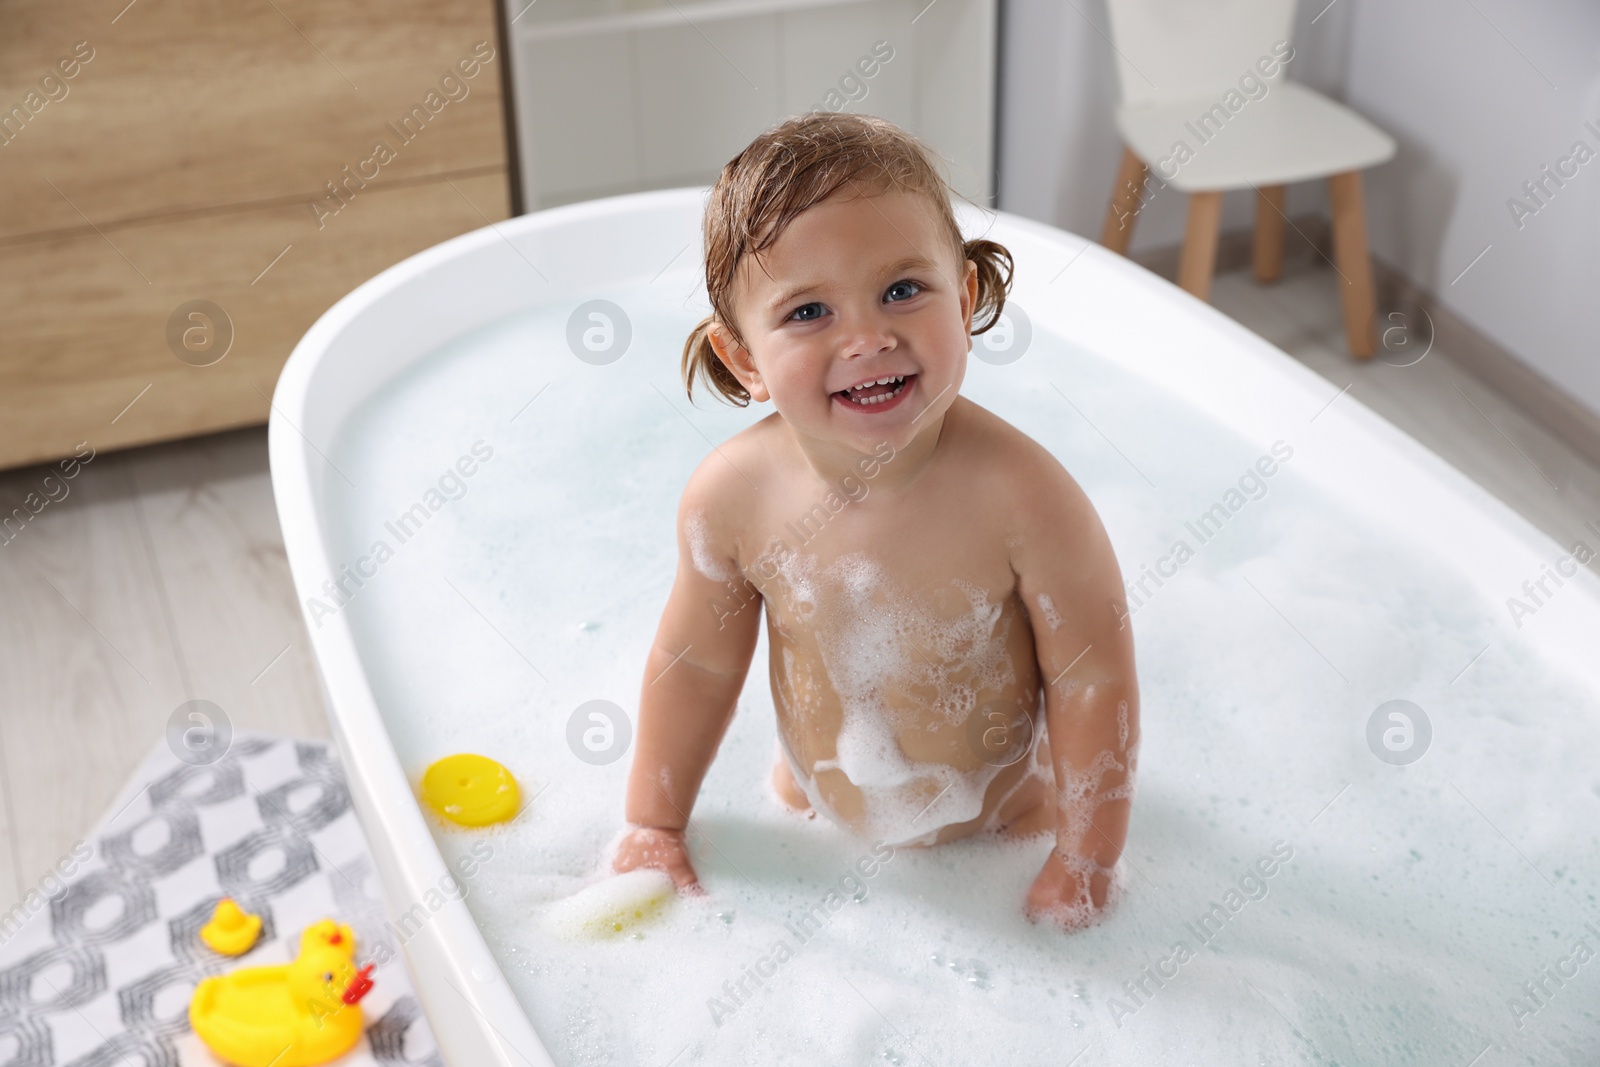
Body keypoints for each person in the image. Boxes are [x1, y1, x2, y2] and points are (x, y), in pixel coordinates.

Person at [611, 111, 1140, 928]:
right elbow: (696, 668)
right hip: (810, 816)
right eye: (808, 312)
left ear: (963, 297)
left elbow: (1093, 678)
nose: (867, 338)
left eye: (902, 290)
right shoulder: (733, 497)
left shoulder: (1025, 496)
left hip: (1000, 825)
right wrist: (653, 822)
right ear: (743, 357)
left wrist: (1085, 859)